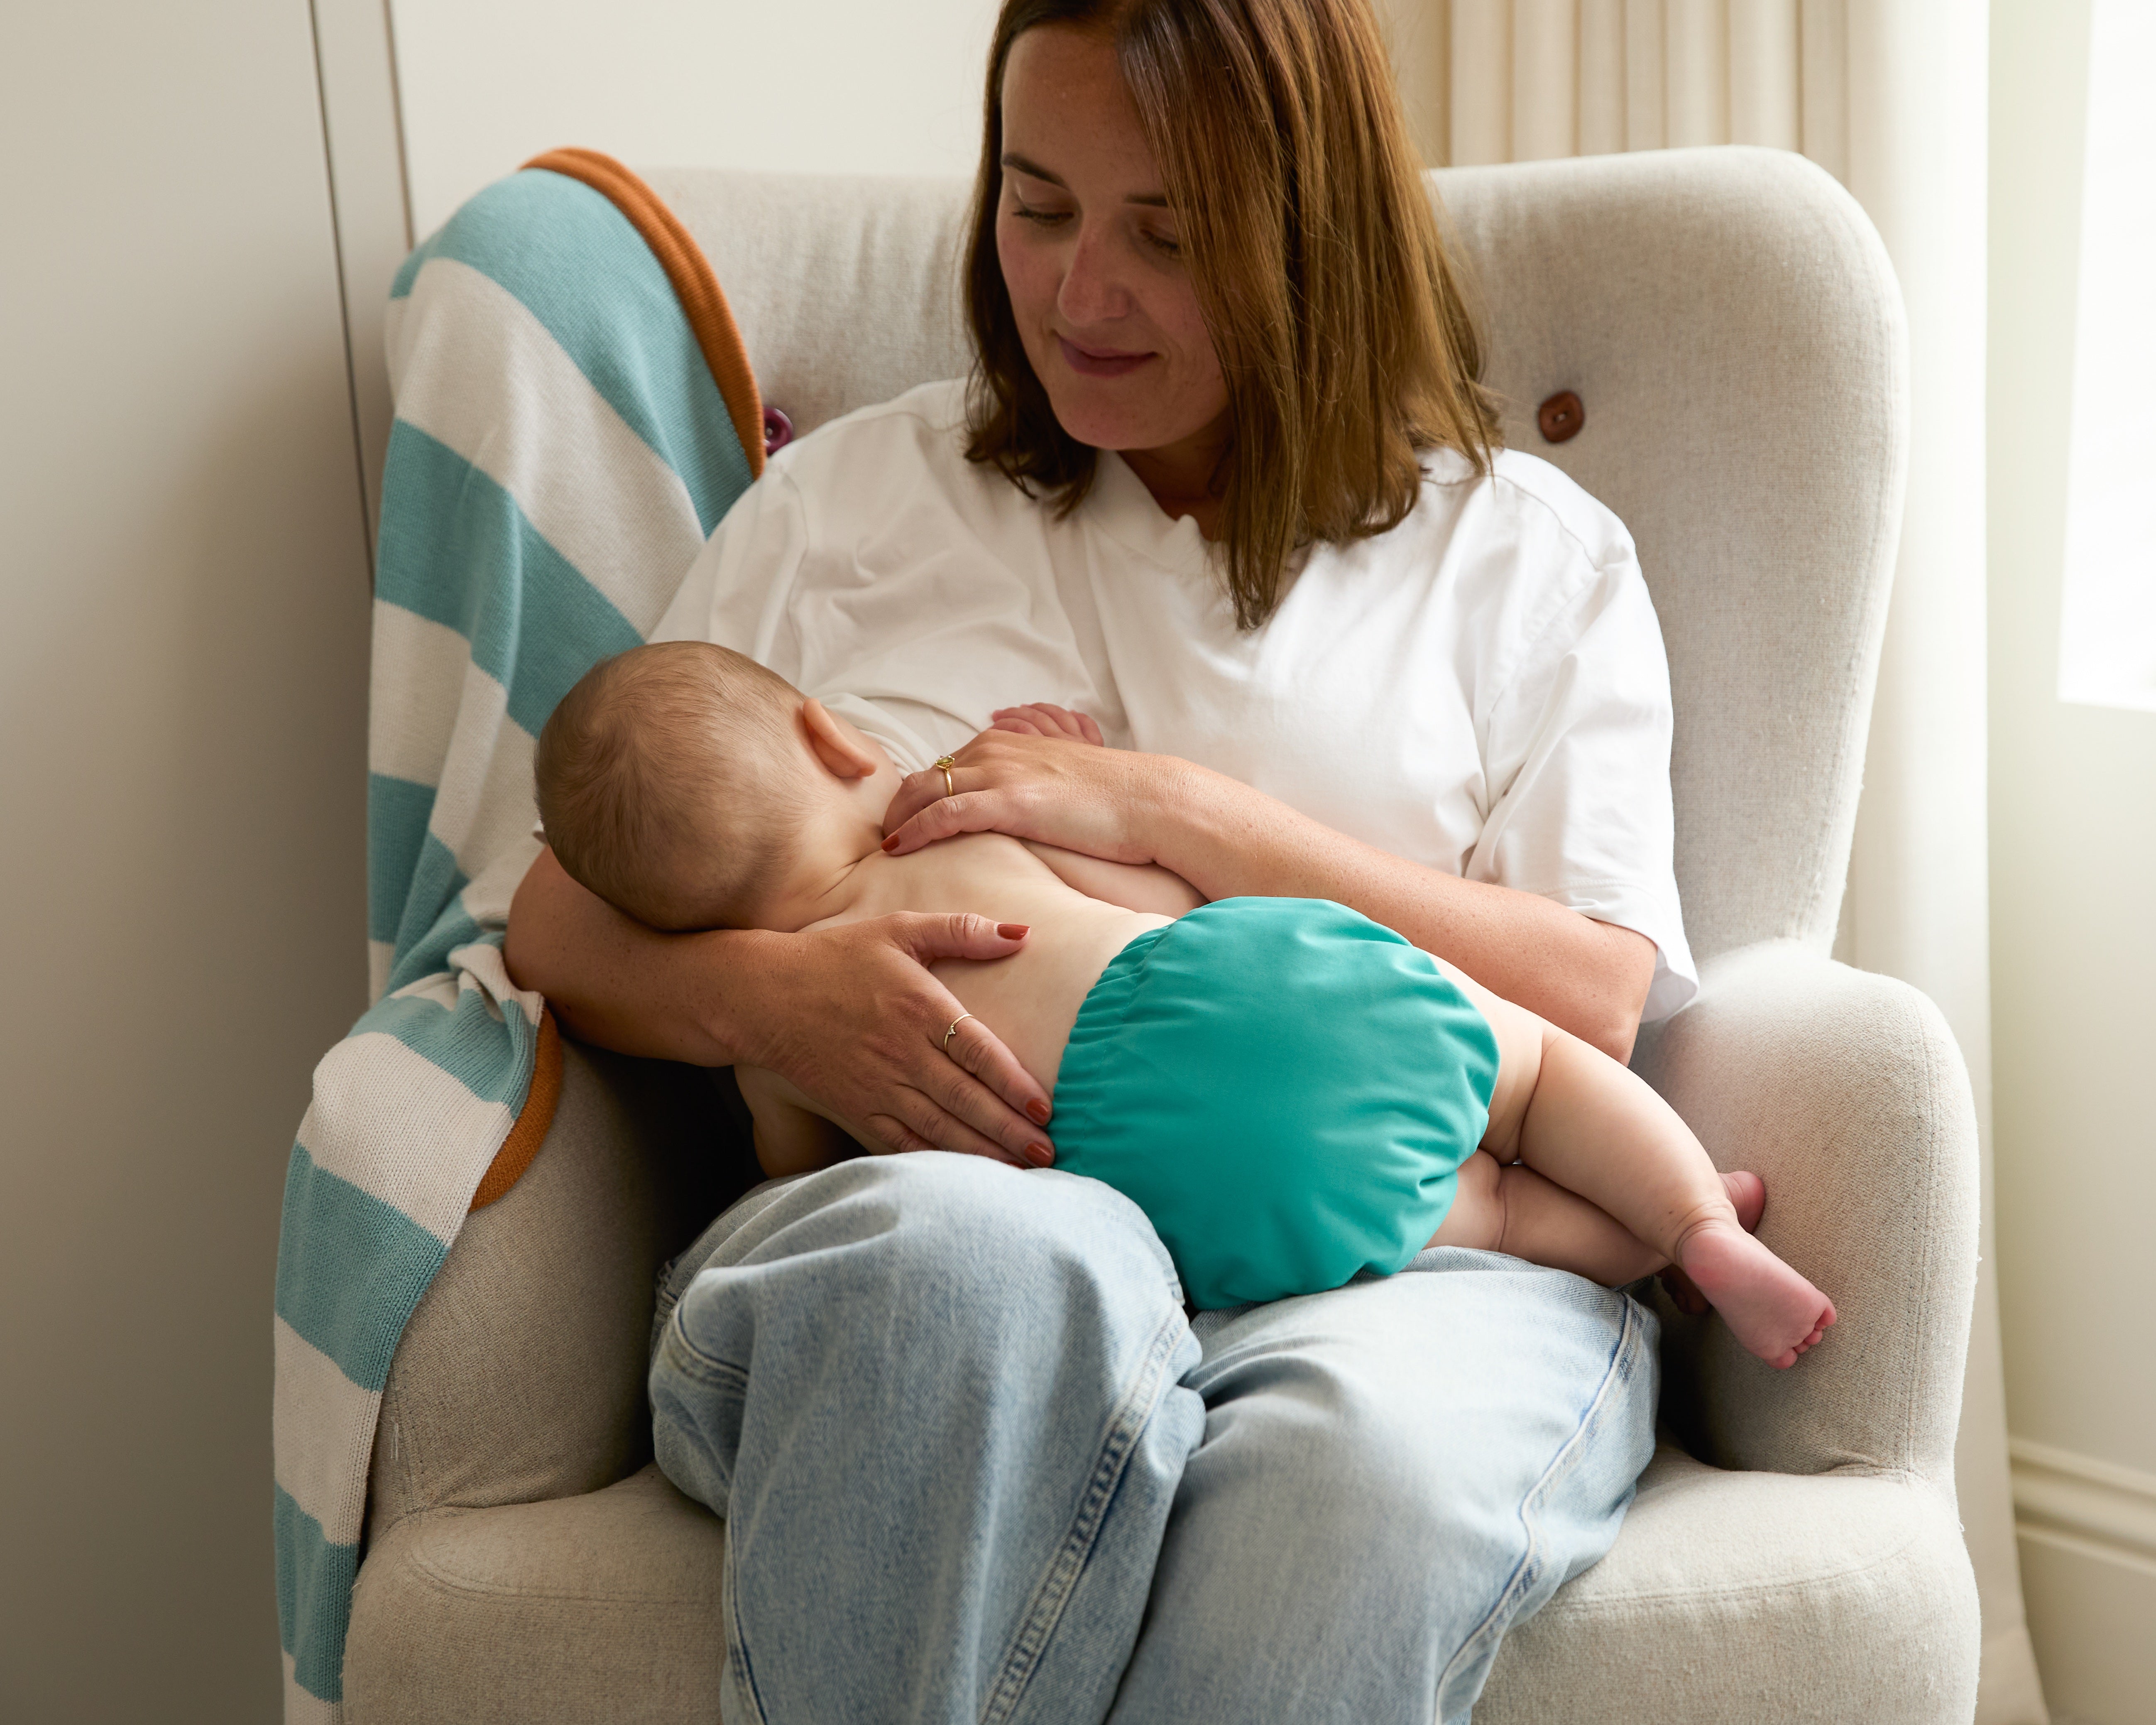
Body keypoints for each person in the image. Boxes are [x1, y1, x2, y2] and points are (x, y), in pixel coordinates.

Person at [504, 0, 1728, 1716]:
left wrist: (1186, 818)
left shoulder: (1526, 563)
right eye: (1037, 203)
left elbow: (1598, 992)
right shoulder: (847, 507)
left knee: (1356, 1477)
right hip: (915, 1241)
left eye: (1166, 232)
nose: (1080, 295)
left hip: (1400, 1269)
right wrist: (773, 1002)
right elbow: (553, 909)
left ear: (1311, 228)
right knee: (1003, 1274)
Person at [534, 638, 1835, 1361]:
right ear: (832, 738)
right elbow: (1145, 887)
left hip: (1146, 1166)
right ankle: (1700, 1223)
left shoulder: (793, 1035)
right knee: (1540, 1077)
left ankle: (1648, 1247)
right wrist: (1090, 771)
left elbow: (793, 1173)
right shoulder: (950, 821)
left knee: (1485, 1212)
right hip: (1222, 982)